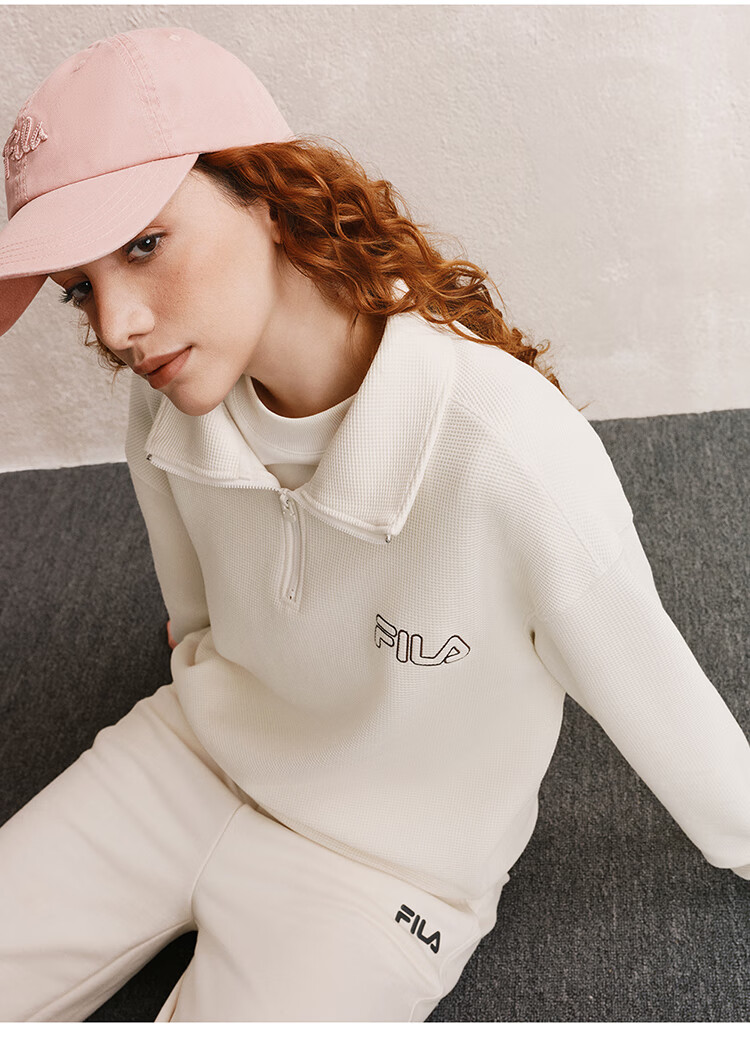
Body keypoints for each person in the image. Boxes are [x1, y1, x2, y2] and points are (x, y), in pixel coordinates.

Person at [0, 25, 748, 1024]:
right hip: (182, 760)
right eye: (81, 289)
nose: (115, 326)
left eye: (144, 244)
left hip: (382, 874)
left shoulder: (510, 448)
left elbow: (666, 706)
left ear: (266, 193)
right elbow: (194, 615)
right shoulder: (168, 394)